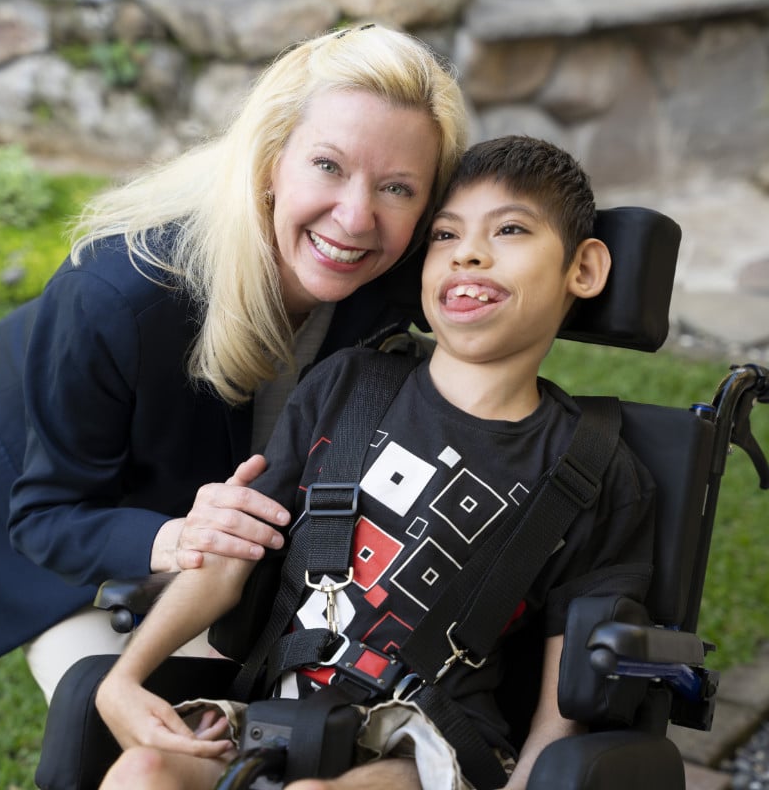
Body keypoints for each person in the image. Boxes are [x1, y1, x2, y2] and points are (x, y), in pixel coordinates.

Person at [94, 135, 657, 790]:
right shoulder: (349, 387)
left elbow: (564, 704)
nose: (469, 253)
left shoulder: (596, 470)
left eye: (509, 230)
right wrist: (123, 678)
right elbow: (229, 562)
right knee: (144, 771)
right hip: (283, 713)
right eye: (445, 236)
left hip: (431, 749)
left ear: (583, 269)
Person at [0, 22, 468, 702]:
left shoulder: (393, 264)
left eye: (398, 188)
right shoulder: (118, 295)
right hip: (43, 511)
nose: (355, 218)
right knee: (126, 726)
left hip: (209, 527)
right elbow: (46, 514)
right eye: (328, 165)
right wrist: (172, 538)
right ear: (270, 160)